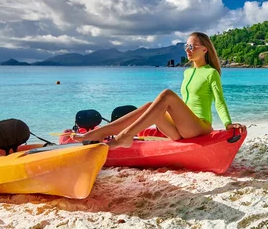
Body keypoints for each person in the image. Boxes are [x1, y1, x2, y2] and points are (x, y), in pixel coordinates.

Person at [74, 32, 245, 149]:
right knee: (150, 105)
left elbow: (219, 101)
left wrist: (228, 124)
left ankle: (124, 137)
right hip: (181, 130)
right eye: (186, 46)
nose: (187, 49)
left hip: (199, 126)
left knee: (167, 95)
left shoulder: (211, 73)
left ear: (204, 49)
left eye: (192, 47)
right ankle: (98, 133)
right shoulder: (187, 72)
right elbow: (185, 105)